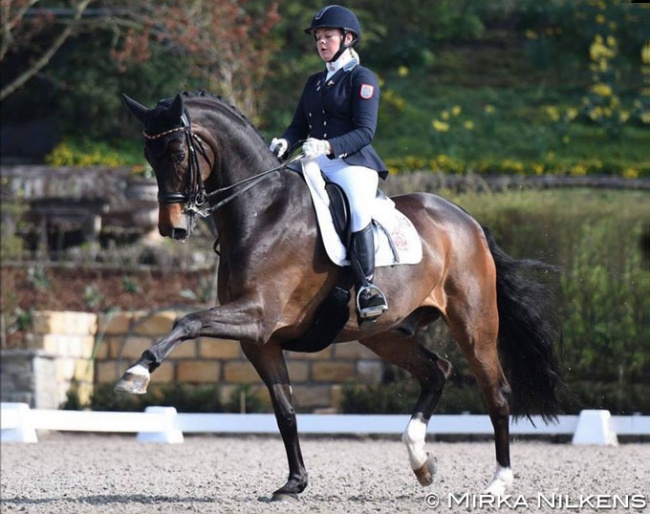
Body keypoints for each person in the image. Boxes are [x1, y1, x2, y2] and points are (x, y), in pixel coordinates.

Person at [270, 5, 389, 320]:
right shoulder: (315, 82)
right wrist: (284, 141)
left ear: (347, 38)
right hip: (314, 160)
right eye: (318, 37)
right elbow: (298, 126)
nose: (321, 43)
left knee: (359, 208)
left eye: (328, 37)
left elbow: (365, 131)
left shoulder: (362, 78)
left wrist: (328, 145)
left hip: (353, 163)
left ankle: (367, 288)